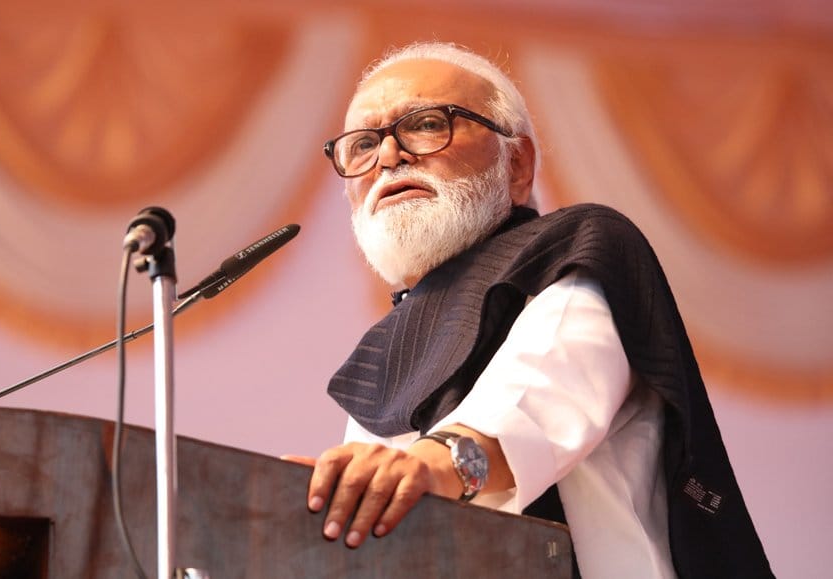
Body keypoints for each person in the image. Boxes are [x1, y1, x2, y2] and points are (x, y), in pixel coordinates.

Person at [284, 42, 773, 578]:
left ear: (516, 163)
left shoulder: (582, 247)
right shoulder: (389, 345)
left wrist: (432, 466)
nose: (388, 156)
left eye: (425, 124)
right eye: (362, 144)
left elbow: (544, 393)